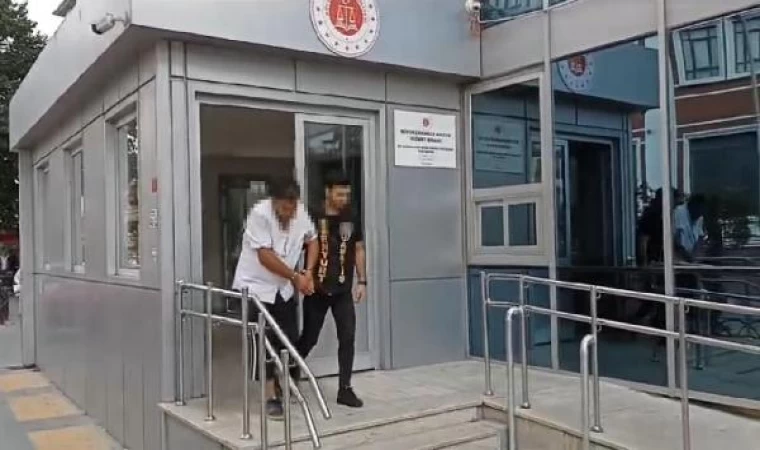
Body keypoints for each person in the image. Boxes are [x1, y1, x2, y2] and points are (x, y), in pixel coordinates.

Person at [232, 176, 318, 420]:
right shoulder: (260, 214)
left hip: (283, 289)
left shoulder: (300, 212)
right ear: (274, 202)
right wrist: (295, 277)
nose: (290, 214)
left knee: (289, 337)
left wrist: (308, 272)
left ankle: (286, 381)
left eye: (293, 208)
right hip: (256, 288)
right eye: (285, 209)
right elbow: (265, 256)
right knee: (264, 341)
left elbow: (312, 241)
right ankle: (270, 395)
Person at [297, 173, 367, 408]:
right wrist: (301, 277)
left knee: (347, 337)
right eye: (339, 194)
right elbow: (299, 247)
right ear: (328, 192)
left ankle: (345, 388)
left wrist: (362, 281)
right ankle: (287, 372)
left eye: (346, 194)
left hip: (343, 290)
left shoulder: (351, 217)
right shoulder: (312, 217)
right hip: (317, 290)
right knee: (309, 338)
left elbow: (358, 248)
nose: (343, 199)